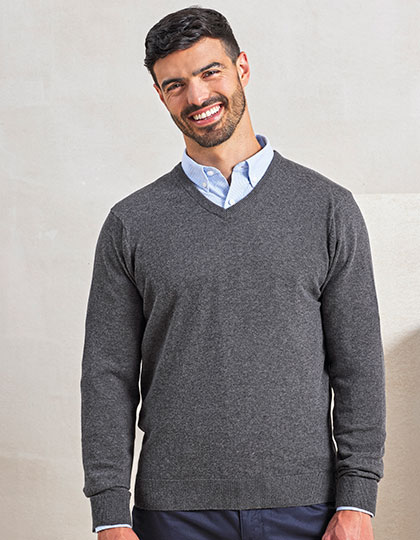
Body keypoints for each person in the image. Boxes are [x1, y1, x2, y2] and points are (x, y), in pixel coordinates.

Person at [80, 6, 386, 540]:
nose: (197, 96)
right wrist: (109, 513)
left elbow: (358, 366)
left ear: (242, 67)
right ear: (160, 95)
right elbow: (107, 376)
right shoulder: (131, 223)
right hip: (172, 513)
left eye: (210, 72)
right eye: (175, 84)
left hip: (307, 509)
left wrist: (358, 500)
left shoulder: (328, 208)